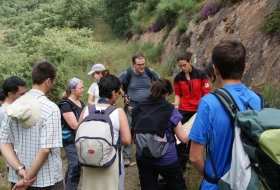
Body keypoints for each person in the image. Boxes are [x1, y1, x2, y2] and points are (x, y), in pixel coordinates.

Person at [189, 40, 261, 189]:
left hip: (216, 184)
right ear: (245, 68)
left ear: (215, 70)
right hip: (248, 183)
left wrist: (210, 176)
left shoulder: (209, 103)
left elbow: (195, 157)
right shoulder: (258, 100)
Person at [0, 60, 64, 190]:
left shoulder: (13, 107)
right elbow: (45, 149)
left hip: (18, 179)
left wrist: (20, 169)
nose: (54, 83)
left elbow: (4, 143)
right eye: (54, 80)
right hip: (46, 179)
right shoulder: (51, 109)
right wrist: (28, 178)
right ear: (48, 81)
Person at [132, 78, 189, 190]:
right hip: (166, 159)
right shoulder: (170, 110)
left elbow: (133, 133)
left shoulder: (139, 108)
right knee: (178, 186)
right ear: (167, 93)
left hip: (143, 156)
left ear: (151, 91)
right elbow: (183, 139)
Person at [78, 75, 131, 190]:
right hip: (110, 160)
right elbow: (127, 140)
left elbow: (78, 132)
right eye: (117, 92)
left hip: (89, 158)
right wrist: (112, 140)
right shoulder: (118, 112)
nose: (118, 95)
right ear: (113, 92)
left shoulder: (86, 110)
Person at [118, 53, 160, 166]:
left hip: (148, 108)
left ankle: (146, 154)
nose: (142, 67)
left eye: (143, 64)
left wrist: (155, 93)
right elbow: (116, 83)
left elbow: (160, 82)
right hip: (132, 107)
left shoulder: (149, 72)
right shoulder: (128, 73)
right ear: (133, 64)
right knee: (129, 130)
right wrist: (123, 95)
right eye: (139, 65)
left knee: (147, 130)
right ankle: (126, 157)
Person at [173, 51, 211, 172]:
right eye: (180, 66)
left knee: (195, 137)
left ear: (190, 62)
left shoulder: (201, 75)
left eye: (184, 65)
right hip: (184, 110)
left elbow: (206, 93)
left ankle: (191, 161)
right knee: (180, 138)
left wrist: (203, 110)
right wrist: (176, 105)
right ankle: (181, 164)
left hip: (198, 111)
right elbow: (177, 94)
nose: (183, 68)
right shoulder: (178, 78)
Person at [59, 78, 85, 190]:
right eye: (80, 88)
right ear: (72, 90)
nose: (83, 90)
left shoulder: (81, 103)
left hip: (80, 140)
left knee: (73, 166)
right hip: (70, 140)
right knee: (75, 166)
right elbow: (74, 125)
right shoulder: (66, 105)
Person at [0, 76, 26, 178]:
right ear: (10, 94)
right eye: (21, 94)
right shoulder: (6, 111)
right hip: (13, 159)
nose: (25, 96)